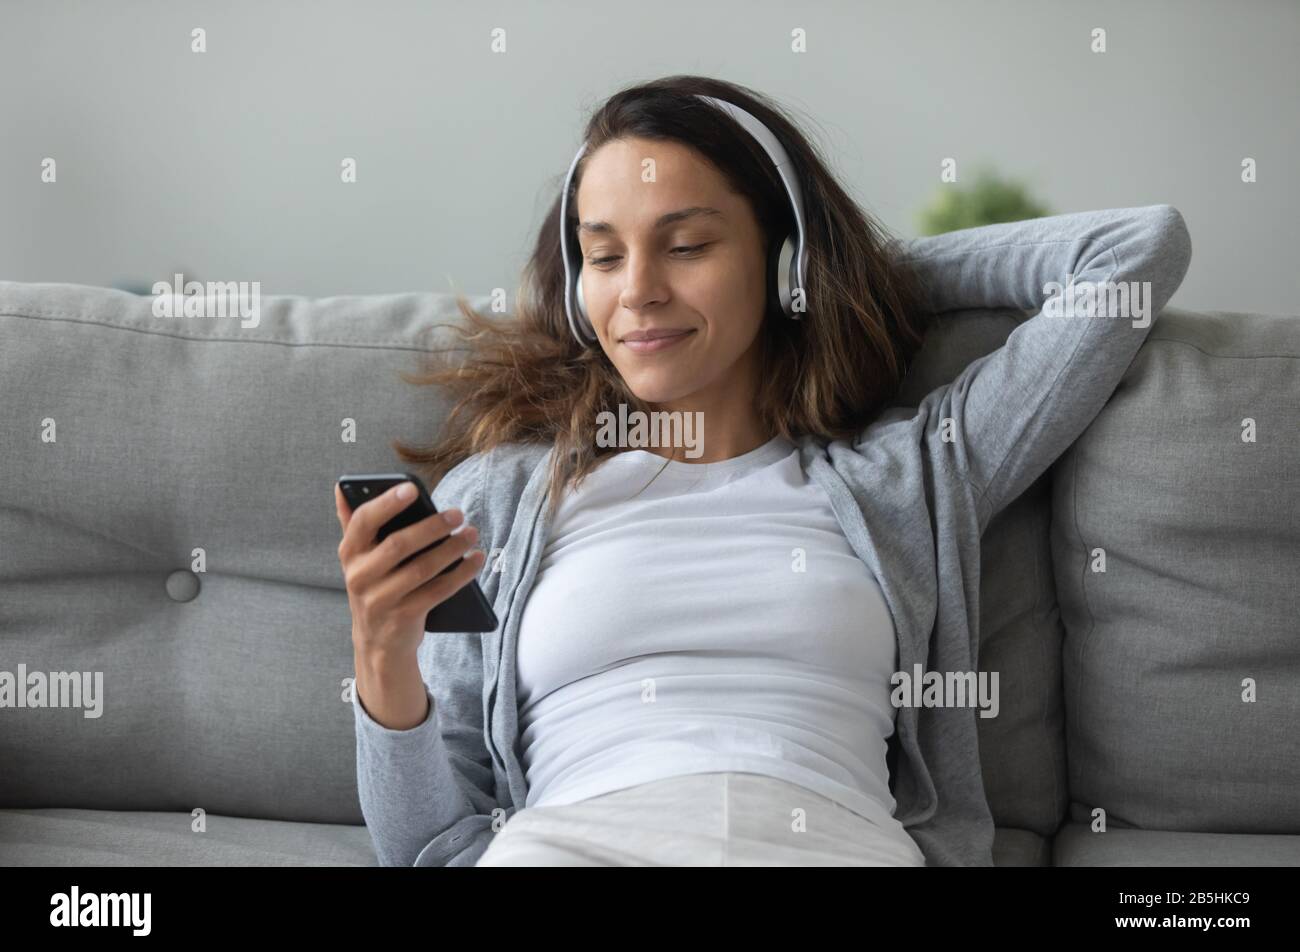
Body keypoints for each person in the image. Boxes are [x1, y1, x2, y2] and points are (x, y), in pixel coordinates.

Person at [334, 74, 1192, 866]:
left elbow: (1133, 253)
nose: (636, 292)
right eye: (602, 256)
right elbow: (434, 845)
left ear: (782, 261)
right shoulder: (501, 499)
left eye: (686, 246)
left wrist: (842, 274)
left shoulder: (915, 474)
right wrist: (383, 658)